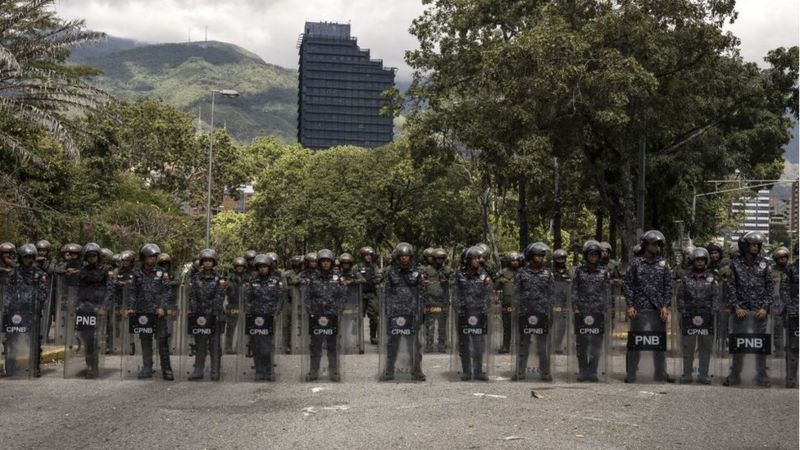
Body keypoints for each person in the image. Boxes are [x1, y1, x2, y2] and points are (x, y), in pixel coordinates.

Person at [622, 230, 674, 383]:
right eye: (653, 244)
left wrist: (666, 306)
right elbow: (627, 285)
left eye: (658, 244)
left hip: (657, 310)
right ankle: (631, 372)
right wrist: (630, 305)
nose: (656, 247)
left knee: (658, 343)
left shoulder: (663, 264)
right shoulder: (636, 263)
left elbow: (668, 286)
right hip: (639, 308)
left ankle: (660, 373)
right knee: (635, 342)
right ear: (645, 245)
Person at [724, 232, 772, 387]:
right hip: (741, 312)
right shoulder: (735, 263)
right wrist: (737, 306)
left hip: (759, 312)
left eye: (757, 245)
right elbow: (730, 287)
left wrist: (765, 308)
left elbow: (770, 288)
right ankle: (735, 375)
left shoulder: (764, 264)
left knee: (760, 345)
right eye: (752, 244)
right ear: (744, 245)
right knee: (739, 344)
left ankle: (762, 376)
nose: (755, 247)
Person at [380, 243, 425, 381]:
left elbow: (422, 294)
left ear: (411, 258)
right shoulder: (390, 273)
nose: (404, 259)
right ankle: (389, 371)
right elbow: (385, 293)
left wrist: (421, 311)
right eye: (402, 256)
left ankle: (416, 371)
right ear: (397, 258)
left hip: (411, 314)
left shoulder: (417, 273)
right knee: (392, 344)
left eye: (407, 256)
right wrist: (387, 312)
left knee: (414, 345)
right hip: (395, 313)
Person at [129, 243, 174, 380]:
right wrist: (131, 307)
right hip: (143, 312)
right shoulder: (136, 273)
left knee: (162, 341)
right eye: (149, 257)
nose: (152, 260)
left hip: (158, 312)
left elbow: (167, 292)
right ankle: (147, 367)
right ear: (143, 258)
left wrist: (162, 307)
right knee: (145, 341)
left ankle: (166, 369)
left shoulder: (162, 273)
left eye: (154, 257)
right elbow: (133, 292)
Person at [513, 242, 554, 381]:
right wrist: (518, 311)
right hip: (525, 313)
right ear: (531, 256)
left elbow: (551, 294)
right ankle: (520, 372)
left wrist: (550, 313)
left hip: (542, 313)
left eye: (542, 255)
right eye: (538, 255)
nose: (541, 258)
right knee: (523, 345)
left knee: (543, 346)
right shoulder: (521, 273)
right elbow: (516, 293)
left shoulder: (548, 273)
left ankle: (545, 373)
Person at [304, 249, 347, 381]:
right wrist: (311, 312)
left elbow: (342, 297)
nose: (326, 264)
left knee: (332, 345)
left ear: (332, 262)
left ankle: (334, 372)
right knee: (315, 345)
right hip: (316, 316)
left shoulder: (337, 278)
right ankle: (313, 372)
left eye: (328, 261)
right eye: (323, 261)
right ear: (319, 263)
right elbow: (307, 297)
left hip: (332, 317)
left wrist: (338, 312)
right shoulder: (312, 278)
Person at [571, 240, 610, 382]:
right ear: (586, 256)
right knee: (582, 344)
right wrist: (574, 307)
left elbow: (606, 292)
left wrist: (606, 308)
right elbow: (575, 290)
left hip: (597, 311)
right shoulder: (579, 271)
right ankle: (582, 371)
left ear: (599, 256)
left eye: (595, 254)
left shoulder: (604, 272)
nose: (593, 257)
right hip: (582, 311)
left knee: (596, 344)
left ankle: (593, 371)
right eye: (590, 254)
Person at [676, 247, 716, 384]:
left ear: (706, 262)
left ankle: (703, 374)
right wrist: (683, 311)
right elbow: (680, 296)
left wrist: (713, 312)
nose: (700, 263)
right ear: (692, 261)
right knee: (688, 346)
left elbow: (716, 297)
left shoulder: (712, 278)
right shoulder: (686, 278)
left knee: (705, 347)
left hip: (707, 316)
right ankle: (687, 374)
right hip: (689, 316)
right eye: (697, 260)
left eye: (702, 260)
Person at [453, 246, 492, 381]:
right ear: (468, 260)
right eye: (475, 258)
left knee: (478, 344)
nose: (478, 261)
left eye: (479, 258)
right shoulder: (460, 275)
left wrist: (485, 309)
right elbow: (456, 294)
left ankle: (478, 371)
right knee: (464, 344)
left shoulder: (484, 275)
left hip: (478, 314)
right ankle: (467, 371)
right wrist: (458, 309)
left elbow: (488, 294)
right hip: (464, 314)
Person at [188, 249, 227, 381]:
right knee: (200, 344)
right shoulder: (195, 277)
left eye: (210, 261)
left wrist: (213, 313)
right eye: (205, 261)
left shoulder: (219, 278)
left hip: (214, 316)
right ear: (202, 263)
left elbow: (220, 296)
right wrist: (193, 311)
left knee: (215, 344)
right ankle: (198, 370)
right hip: (200, 316)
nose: (208, 263)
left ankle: (215, 371)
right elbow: (192, 296)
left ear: (214, 262)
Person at [244, 254, 283, 381]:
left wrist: (276, 314)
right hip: (255, 318)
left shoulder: (276, 282)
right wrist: (249, 312)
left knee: (267, 346)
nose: (262, 269)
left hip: (269, 318)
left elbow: (280, 299)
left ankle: (269, 370)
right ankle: (259, 371)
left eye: (265, 267)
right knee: (256, 345)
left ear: (269, 267)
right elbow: (247, 299)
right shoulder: (252, 282)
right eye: (260, 267)